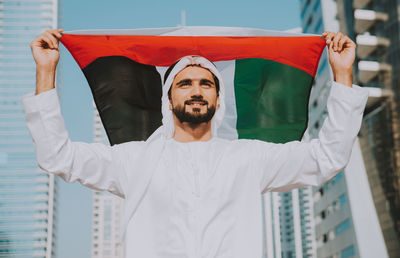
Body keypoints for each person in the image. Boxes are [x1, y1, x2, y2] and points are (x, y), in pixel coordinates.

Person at [23, 29, 368, 257]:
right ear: (168, 98)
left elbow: (328, 156)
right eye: (184, 83)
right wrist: (46, 71)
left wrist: (342, 74)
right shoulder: (134, 161)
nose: (196, 90)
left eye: (206, 84)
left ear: (218, 100)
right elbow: (58, 156)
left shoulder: (248, 158)